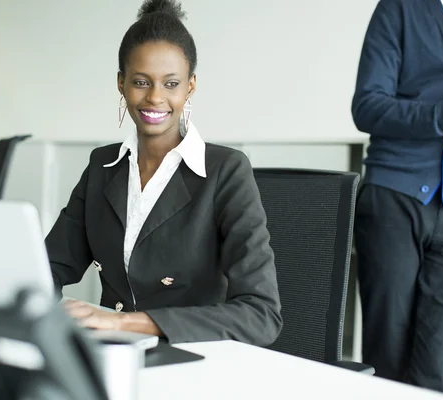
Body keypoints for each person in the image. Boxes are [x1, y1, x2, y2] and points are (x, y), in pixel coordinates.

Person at [44, 0, 282, 346]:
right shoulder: (102, 167)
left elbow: (261, 315)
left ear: (191, 86)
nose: (155, 97)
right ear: (121, 83)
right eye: (141, 82)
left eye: (171, 84)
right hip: (112, 354)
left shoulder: (226, 171)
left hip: (195, 355)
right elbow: (47, 267)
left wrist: (129, 324)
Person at [352, 0, 443, 394]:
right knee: (388, 361)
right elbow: (367, 106)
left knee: (440, 372)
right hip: (395, 200)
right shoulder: (401, 9)